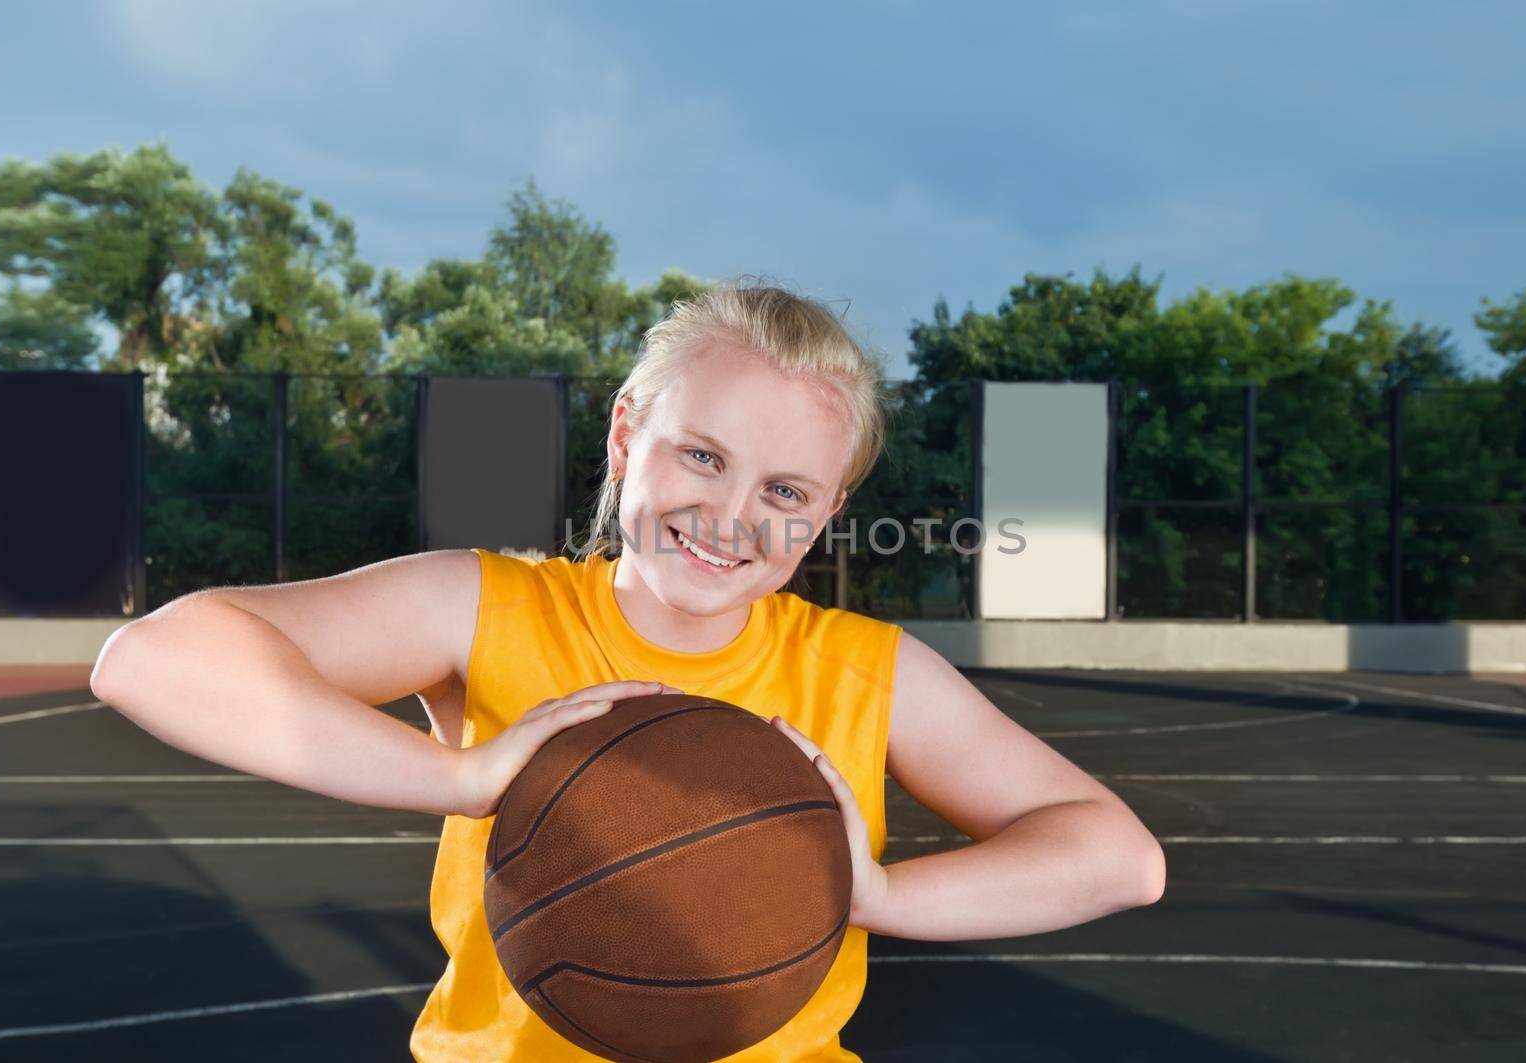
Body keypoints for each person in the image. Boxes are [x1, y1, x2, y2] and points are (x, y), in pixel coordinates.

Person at [91, 281, 1165, 1062]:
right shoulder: (486, 607)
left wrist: (870, 891)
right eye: (703, 455)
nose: (733, 516)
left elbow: (1118, 857)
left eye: (788, 491)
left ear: (830, 513)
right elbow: (154, 659)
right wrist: (463, 779)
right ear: (624, 436)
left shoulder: (862, 669)